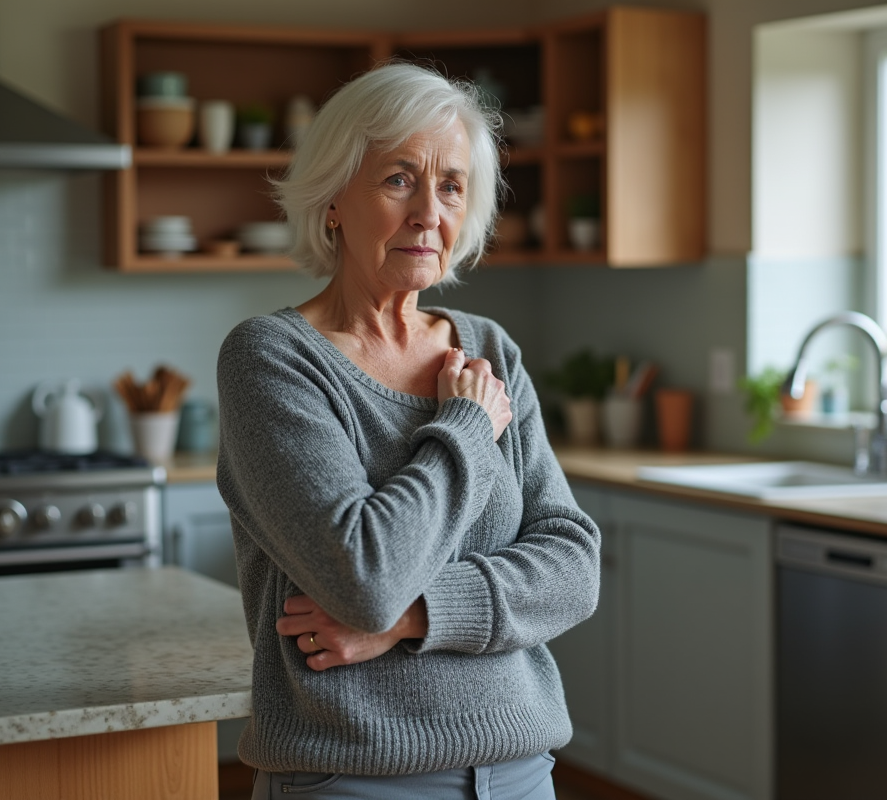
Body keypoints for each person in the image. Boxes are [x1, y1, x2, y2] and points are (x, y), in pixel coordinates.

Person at [216, 62, 601, 800]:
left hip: (521, 770)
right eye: (399, 179)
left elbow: (573, 568)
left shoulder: (488, 350)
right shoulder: (272, 358)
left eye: (451, 184)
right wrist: (463, 426)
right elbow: (363, 575)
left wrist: (414, 618)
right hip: (352, 778)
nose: (430, 211)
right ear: (332, 200)